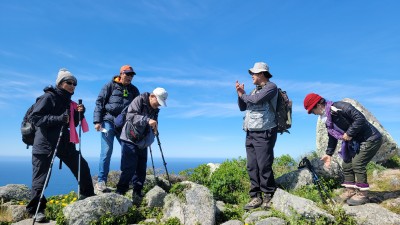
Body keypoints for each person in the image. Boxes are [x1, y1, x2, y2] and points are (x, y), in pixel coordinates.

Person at [26, 68, 95, 222]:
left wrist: (79, 113)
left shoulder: (69, 102)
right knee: (41, 179)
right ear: (60, 83)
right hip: (44, 142)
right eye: (69, 82)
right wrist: (58, 119)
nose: (72, 86)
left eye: (74, 84)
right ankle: (36, 210)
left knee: (81, 166)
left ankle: (88, 196)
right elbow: (36, 118)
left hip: (63, 141)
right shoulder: (48, 97)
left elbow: (73, 123)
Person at [303, 93, 383, 206]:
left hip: (371, 138)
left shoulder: (341, 107)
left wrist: (349, 133)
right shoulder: (328, 118)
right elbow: (332, 137)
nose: (313, 113)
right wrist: (328, 154)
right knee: (346, 164)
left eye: (312, 110)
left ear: (319, 104)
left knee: (357, 164)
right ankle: (350, 190)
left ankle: (363, 194)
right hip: (358, 141)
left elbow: (360, 119)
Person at [236, 62, 278, 210]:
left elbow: (256, 100)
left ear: (261, 74)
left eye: (254, 73)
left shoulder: (271, 88)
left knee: (264, 165)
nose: (252, 76)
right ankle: (255, 196)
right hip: (250, 132)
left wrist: (243, 94)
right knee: (252, 165)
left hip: (264, 132)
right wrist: (240, 93)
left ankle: (268, 194)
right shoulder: (254, 91)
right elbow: (243, 107)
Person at [115, 87, 168, 203]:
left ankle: (137, 192)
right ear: (152, 96)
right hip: (129, 137)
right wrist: (147, 120)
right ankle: (120, 191)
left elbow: (154, 122)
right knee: (129, 166)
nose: (158, 105)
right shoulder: (139, 100)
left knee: (141, 168)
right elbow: (131, 116)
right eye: (158, 102)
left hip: (142, 141)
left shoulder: (155, 109)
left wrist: (154, 130)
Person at [93, 65, 140, 192]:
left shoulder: (134, 90)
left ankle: (127, 180)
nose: (130, 77)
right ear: (121, 74)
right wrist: (97, 121)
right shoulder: (110, 86)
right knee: (106, 151)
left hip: (124, 125)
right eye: (127, 74)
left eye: (132, 75)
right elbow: (99, 102)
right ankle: (101, 181)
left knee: (128, 151)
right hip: (108, 121)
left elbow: (138, 107)